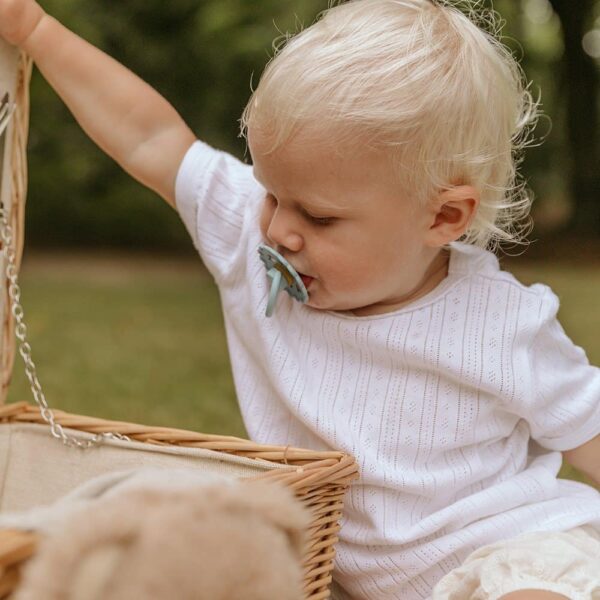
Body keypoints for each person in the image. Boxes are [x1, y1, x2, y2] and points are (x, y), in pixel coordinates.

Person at [1, 0, 599, 598]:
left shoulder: (501, 322)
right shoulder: (247, 233)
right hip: (336, 573)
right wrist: (35, 28)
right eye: (270, 193)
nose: (278, 230)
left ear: (442, 217)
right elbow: (150, 137)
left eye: (319, 216)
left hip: (506, 551)